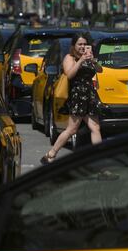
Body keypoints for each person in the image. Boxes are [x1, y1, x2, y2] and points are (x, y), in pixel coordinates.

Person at [41, 33, 103, 164]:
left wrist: (92, 60)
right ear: (74, 46)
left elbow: (100, 70)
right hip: (78, 96)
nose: (82, 47)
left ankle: (100, 161)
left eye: (85, 44)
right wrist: (80, 61)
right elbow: (69, 74)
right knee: (71, 129)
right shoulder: (69, 58)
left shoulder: (88, 57)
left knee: (95, 127)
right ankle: (51, 154)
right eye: (79, 44)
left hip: (90, 95)